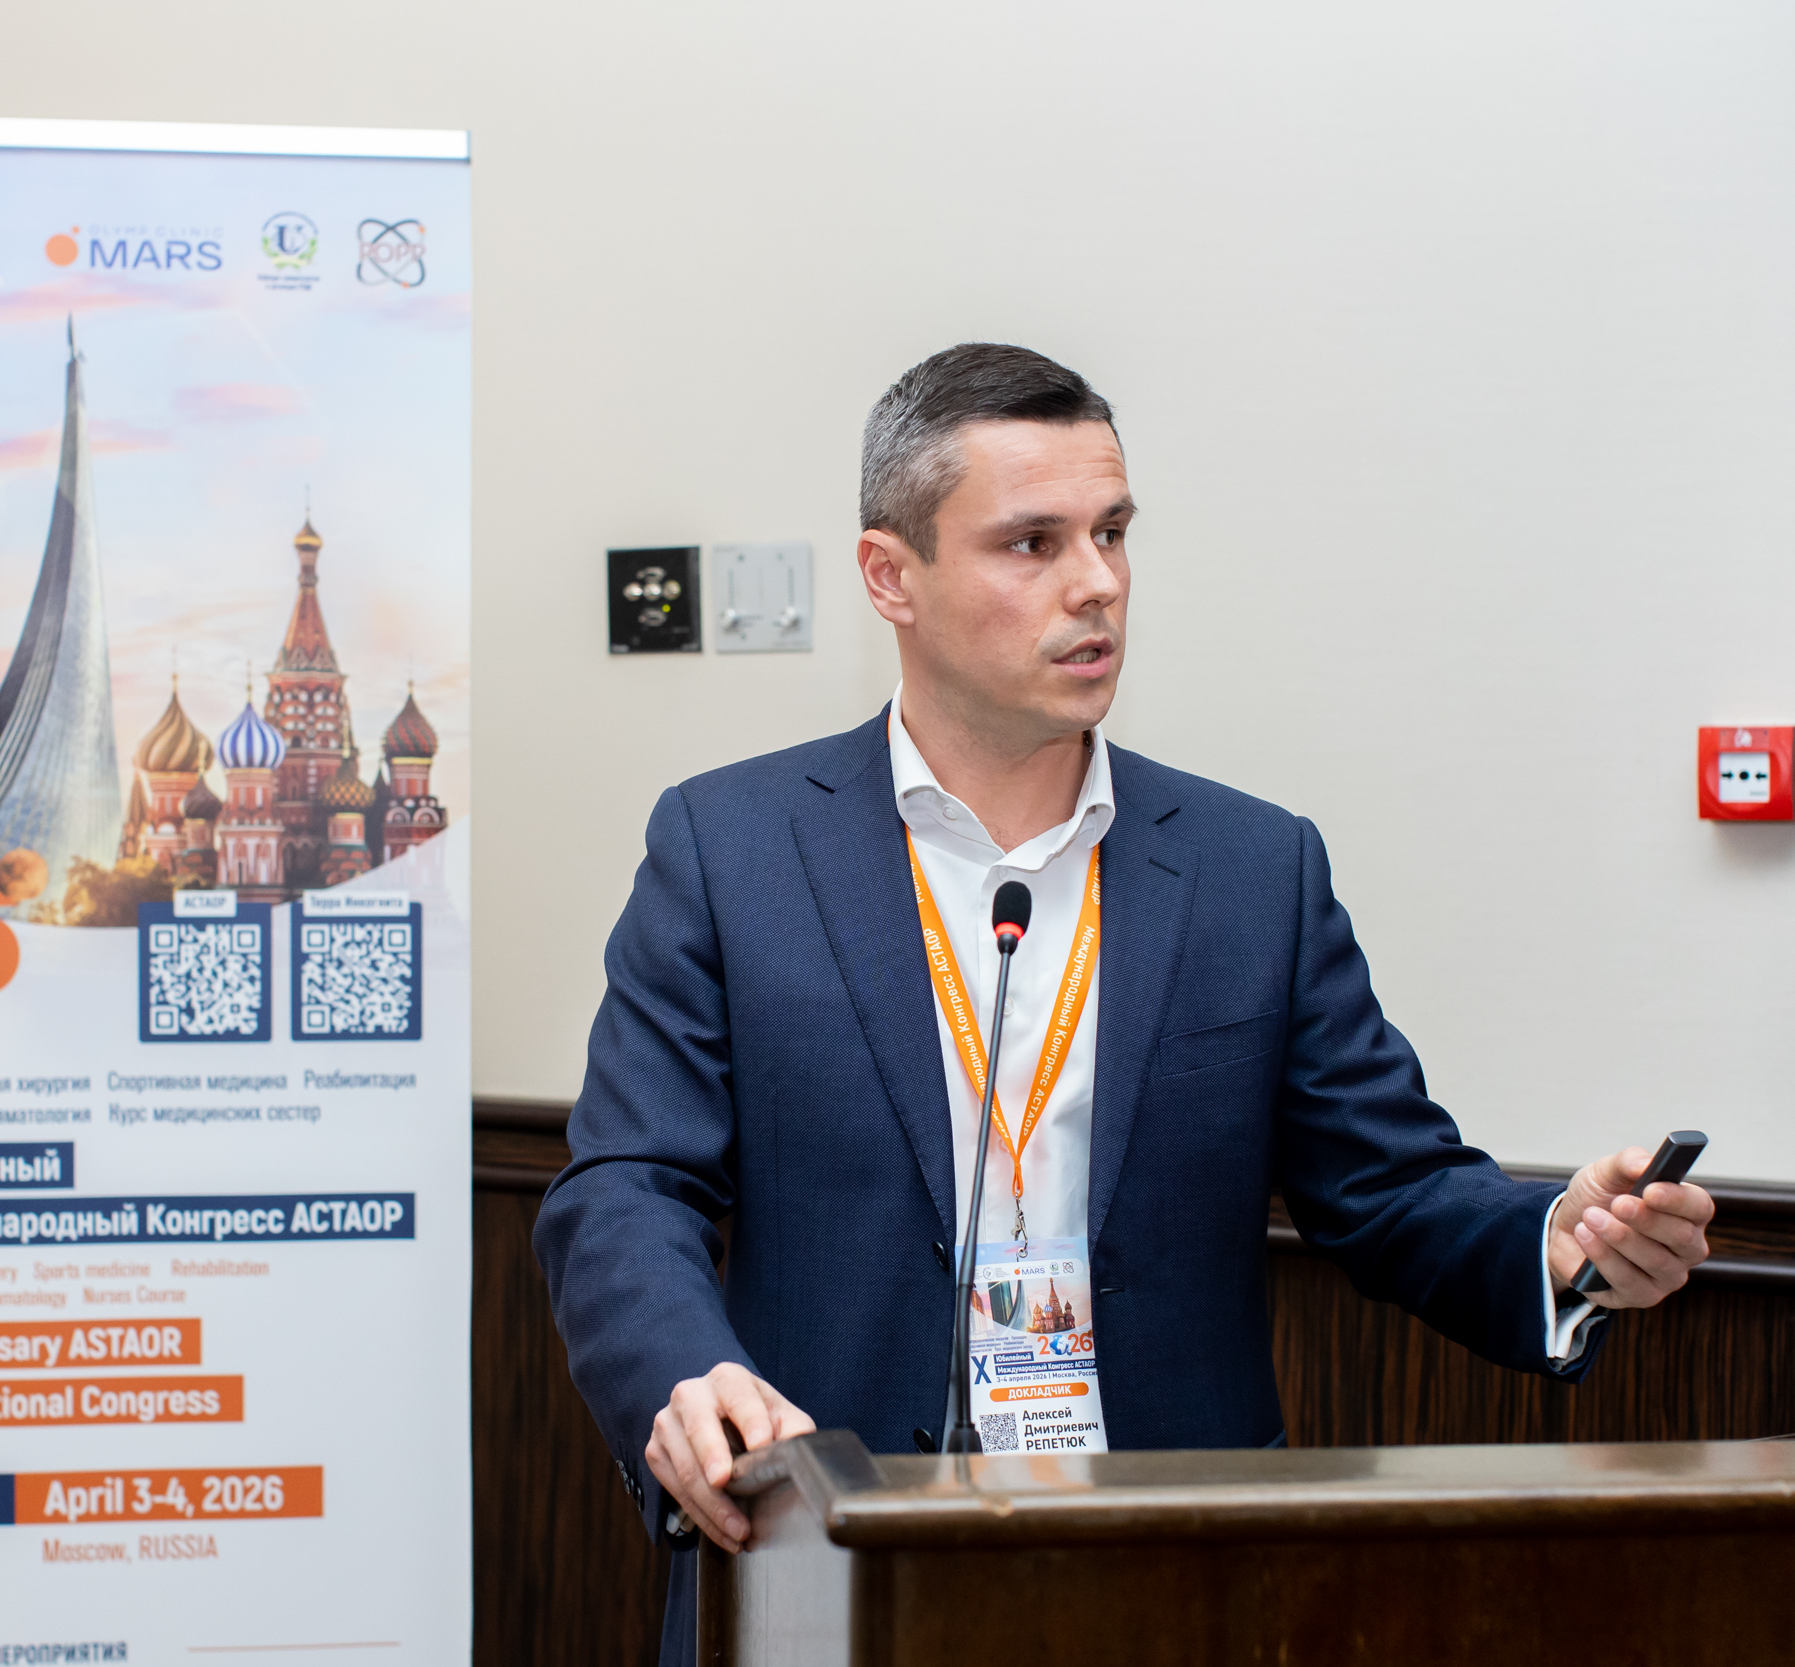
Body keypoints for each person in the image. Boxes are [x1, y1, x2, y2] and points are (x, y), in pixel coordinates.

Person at [534, 344, 1716, 1663]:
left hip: (1174, 1573)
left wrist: (1555, 1242)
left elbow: (1390, 1188)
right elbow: (624, 1187)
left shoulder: (1250, 868)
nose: (1096, 582)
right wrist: (687, 1376)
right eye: (1031, 543)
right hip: (828, 1560)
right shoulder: (732, 849)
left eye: (1111, 533)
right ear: (891, 576)